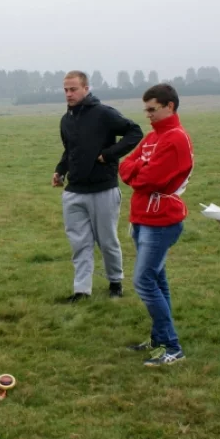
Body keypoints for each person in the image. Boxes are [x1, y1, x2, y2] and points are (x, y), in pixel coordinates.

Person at [119, 84, 194, 366]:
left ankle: (173, 347)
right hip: (141, 218)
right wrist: (137, 170)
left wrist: (137, 172)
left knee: (144, 280)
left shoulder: (176, 139)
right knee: (156, 279)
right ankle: (159, 337)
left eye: (153, 109)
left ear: (170, 106)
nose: (148, 115)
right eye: (146, 110)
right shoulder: (152, 138)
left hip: (161, 221)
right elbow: (126, 166)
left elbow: (151, 180)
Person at [53, 70, 143, 302]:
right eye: (65, 90)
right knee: (79, 243)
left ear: (86, 89)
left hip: (103, 189)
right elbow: (70, 150)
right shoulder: (66, 120)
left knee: (107, 240)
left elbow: (135, 132)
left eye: (73, 89)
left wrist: (109, 155)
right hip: (74, 192)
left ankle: (116, 282)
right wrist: (60, 170)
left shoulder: (103, 114)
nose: (69, 94)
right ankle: (82, 290)